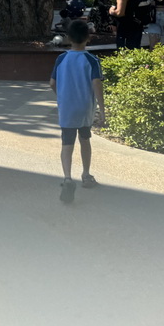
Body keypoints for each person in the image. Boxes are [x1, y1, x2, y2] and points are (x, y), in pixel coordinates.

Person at [49, 19, 104, 203]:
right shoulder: (92, 60)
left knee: (67, 143)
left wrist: (62, 96)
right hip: (85, 108)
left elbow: (52, 83)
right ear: (88, 38)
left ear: (68, 38)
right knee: (85, 140)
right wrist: (102, 110)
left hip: (67, 108)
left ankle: (67, 178)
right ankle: (86, 175)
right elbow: (97, 84)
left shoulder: (61, 58)